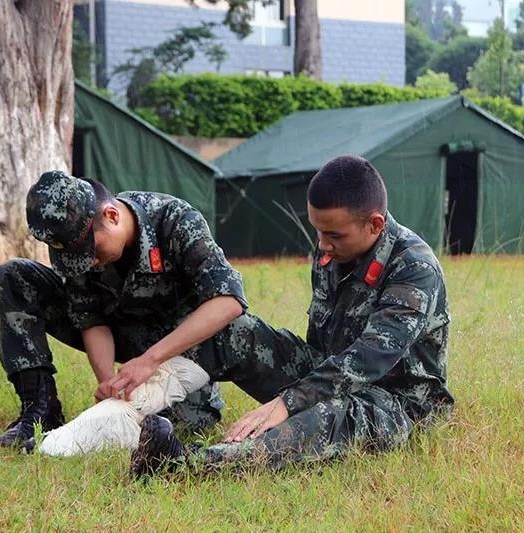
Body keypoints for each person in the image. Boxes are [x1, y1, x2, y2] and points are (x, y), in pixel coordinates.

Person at [125, 154, 454, 475]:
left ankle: (180, 464)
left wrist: (288, 403)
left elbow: (369, 358)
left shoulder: (413, 267)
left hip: (397, 403)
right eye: (318, 231)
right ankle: (166, 419)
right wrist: (297, 395)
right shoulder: (332, 251)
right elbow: (320, 348)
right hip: (328, 375)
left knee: (325, 419)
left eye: (334, 235)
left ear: (375, 224)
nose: (323, 245)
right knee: (233, 331)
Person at [0, 170, 247, 449]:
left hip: (178, 350)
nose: (89, 262)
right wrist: (112, 385)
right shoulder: (78, 245)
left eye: (92, 251)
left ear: (112, 216)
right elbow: (91, 318)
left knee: (182, 424)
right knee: (13, 276)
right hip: (122, 332)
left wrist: (150, 360)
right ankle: (40, 412)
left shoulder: (176, 221)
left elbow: (229, 301)